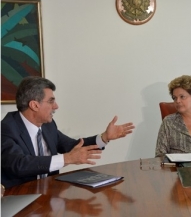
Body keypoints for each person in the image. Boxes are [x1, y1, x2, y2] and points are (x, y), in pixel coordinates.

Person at [1, 76, 135, 188]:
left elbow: (72, 146)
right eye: (51, 101)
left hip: (48, 193)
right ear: (34, 105)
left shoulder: (48, 126)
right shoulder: (6, 128)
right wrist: (67, 158)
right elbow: (19, 164)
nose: (56, 106)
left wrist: (104, 137)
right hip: (17, 196)